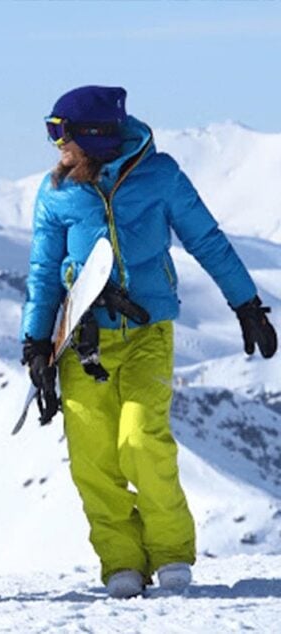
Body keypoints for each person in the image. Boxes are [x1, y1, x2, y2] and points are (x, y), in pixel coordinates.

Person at [20, 85, 277, 599]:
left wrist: (245, 302)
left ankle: (170, 550)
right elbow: (44, 270)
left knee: (141, 440)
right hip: (81, 340)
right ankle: (121, 560)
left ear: (94, 135)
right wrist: (34, 342)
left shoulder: (160, 176)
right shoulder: (58, 192)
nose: (56, 146)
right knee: (94, 460)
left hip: (147, 333)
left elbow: (205, 238)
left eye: (61, 133)